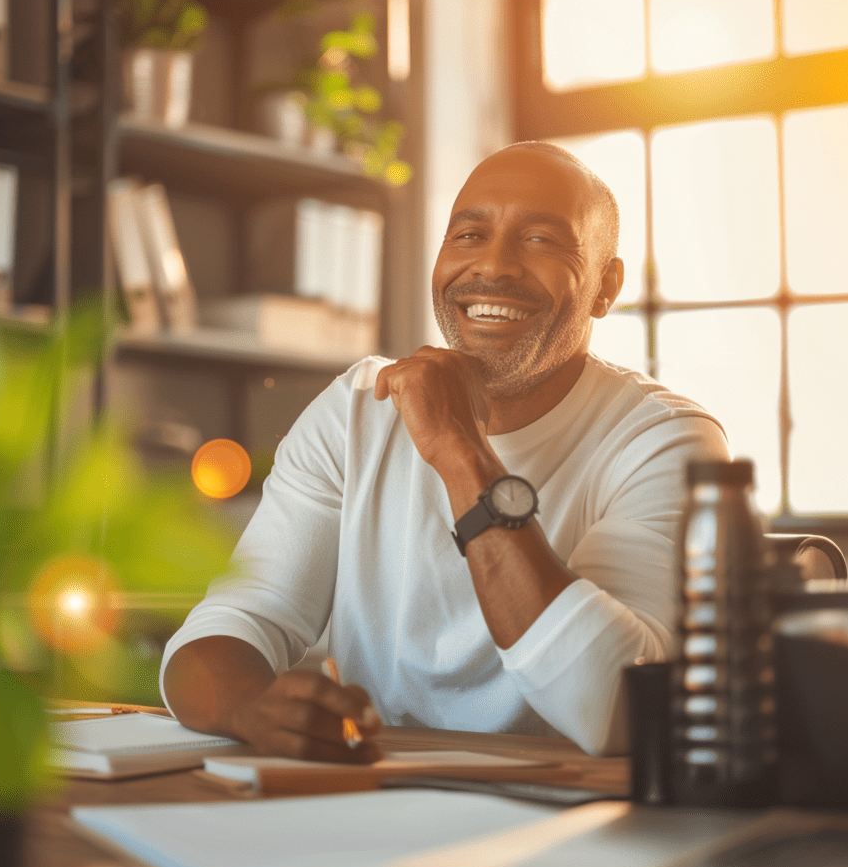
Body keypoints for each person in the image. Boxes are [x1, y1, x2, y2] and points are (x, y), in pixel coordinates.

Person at [161, 142, 729, 758]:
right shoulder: (357, 408)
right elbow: (234, 620)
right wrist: (249, 706)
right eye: (467, 234)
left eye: (541, 240)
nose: (494, 266)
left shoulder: (666, 440)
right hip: (379, 800)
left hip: (571, 820)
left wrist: (460, 451)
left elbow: (618, 708)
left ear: (605, 287)